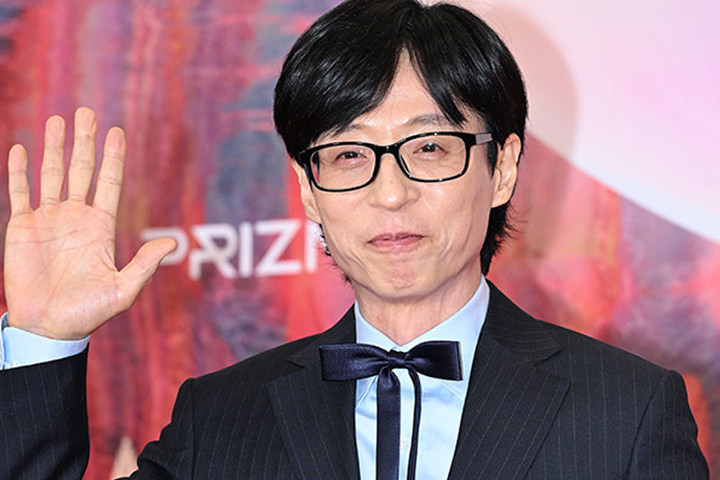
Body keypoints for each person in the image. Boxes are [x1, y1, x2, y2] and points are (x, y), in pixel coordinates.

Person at [0, 0, 709, 479]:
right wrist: (43, 341)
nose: (389, 193)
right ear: (309, 189)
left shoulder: (628, 411)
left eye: (429, 148)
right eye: (347, 155)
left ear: (503, 168)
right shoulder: (219, 418)